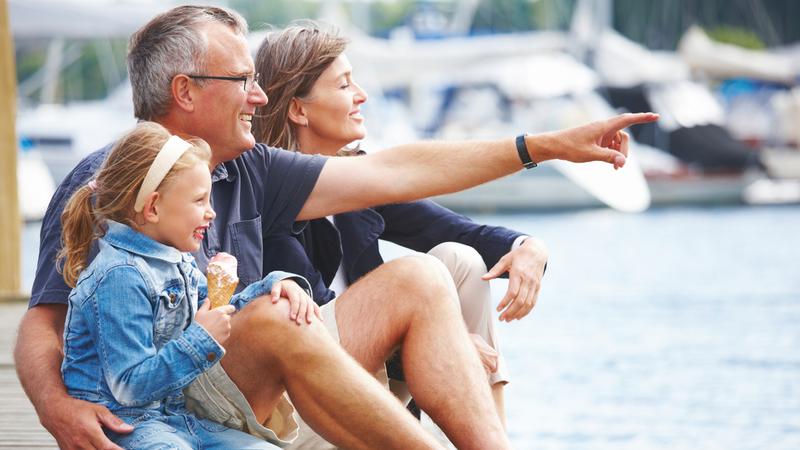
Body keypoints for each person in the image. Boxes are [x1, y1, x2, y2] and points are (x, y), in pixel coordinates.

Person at [14, 5, 657, 450]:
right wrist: (57, 408)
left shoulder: (251, 168)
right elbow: (42, 320)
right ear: (185, 92)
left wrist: (541, 145)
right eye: (242, 80)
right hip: (169, 406)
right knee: (270, 309)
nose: (258, 96)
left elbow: (399, 173)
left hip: (246, 383)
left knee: (423, 276)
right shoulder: (110, 182)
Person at [252, 21, 550, 428]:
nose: (362, 96)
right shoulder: (269, 197)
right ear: (298, 109)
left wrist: (527, 246)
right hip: (312, 395)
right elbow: (319, 322)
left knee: (459, 259)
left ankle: (493, 432)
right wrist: (449, 342)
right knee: (421, 281)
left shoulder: (357, 181)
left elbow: (458, 231)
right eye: (344, 86)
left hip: (377, 374)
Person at [58, 122, 319, 449]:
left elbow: (222, 308)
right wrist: (200, 339)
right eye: (199, 201)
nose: (211, 213)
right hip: (124, 425)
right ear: (152, 207)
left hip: (175, 417)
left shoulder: (174, 261)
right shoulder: (119, 276)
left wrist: (274, 286)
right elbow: (128, 387)